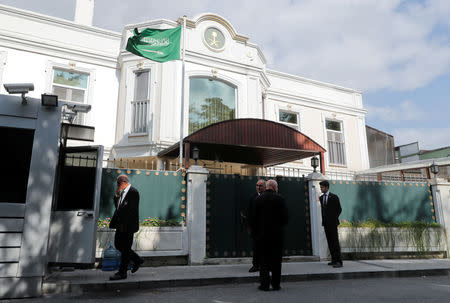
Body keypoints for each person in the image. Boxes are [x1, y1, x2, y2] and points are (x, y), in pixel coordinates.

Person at [253, 179, 288, 291]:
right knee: (276, 261)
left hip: (262, 236)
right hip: (277, 236)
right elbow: (285, 218)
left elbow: (254, 218)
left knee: (263, 261)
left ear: (267, 187)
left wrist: (257, 232)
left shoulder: (258, 199)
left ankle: (264, 285)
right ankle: (276, 284)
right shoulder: (280, 199)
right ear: (274, 187)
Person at [108, 174, 144, 280]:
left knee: (125, 248)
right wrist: (117, 196)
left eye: (118, 183)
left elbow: (131, 211)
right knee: (118, 245)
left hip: (128, 226)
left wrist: (125, 225)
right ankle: (137, 259)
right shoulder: (122, 192)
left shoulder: (133, 192)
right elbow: (118, 208)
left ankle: (122, 272)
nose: (117, 185)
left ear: (123, 182)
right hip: (120, 225)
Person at [319, 180, 343, 268]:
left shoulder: (334, 197)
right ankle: (333, 260)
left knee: (335, 242)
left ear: (327, 187)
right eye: (320, 187)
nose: (321, 189)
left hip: (333, 223)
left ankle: (339, 261)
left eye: (322, 187)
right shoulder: (321, 198)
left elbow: (339, 209)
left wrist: (333, 219)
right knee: (329, 242)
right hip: (325, 224)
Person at [246, 179, 266, 273]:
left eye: (260, 186)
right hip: (256, 228)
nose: (258, 187)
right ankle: (256, 265)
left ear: (265, 187)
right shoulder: (252, 198)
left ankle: (265, 265)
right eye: (257, 185)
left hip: (266, 228)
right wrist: (249, 226)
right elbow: (249, 213)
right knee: (256, 247)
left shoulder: (268, 197)